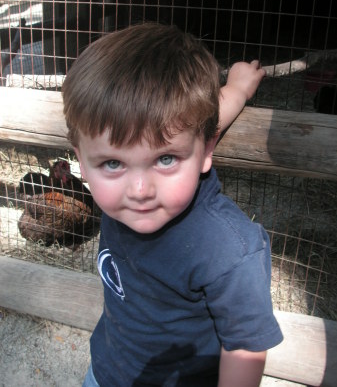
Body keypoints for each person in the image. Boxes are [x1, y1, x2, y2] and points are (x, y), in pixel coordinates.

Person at [62, 22, 283, 387]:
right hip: (105, 373)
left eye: (165, 160)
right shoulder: (129, 199)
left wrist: (238, 88)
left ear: (205, 151)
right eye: (113, 163)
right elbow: (181, 130)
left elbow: (244, 344)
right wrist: (236, 90)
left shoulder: (225, 248)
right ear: (83, 163)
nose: (140, 189)